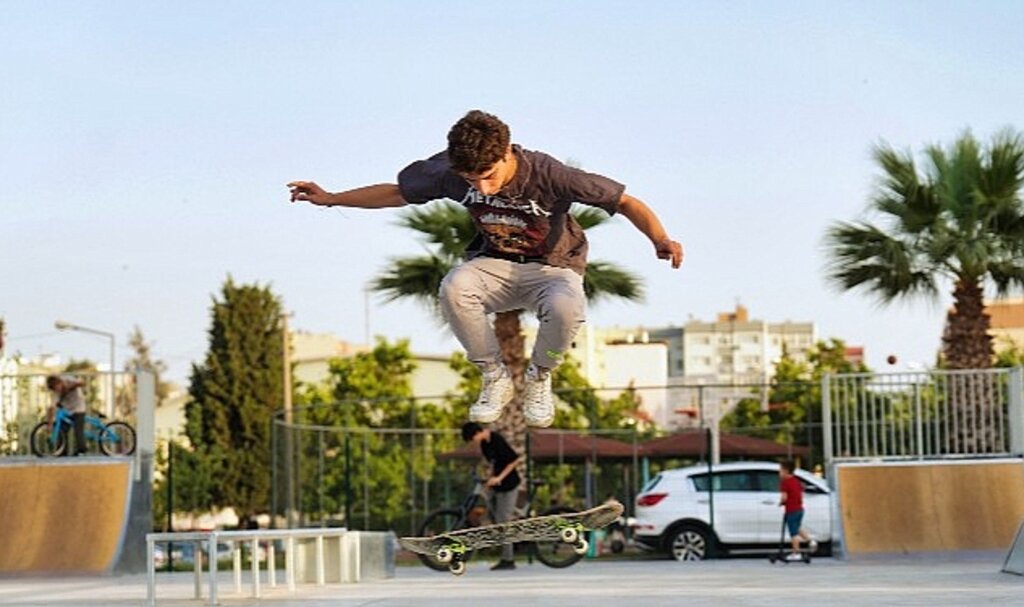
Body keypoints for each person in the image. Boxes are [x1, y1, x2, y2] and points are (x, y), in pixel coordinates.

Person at [289, 110, 683, 428]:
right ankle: (494, 377)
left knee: (566, 309)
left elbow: (626, 202)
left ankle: (540, 376)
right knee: (454, 287)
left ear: (507, 152)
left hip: (554, 268)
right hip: (495, 264)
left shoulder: (550, 174)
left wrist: (660, 239)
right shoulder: (449, 171)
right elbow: (397, 192)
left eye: (490, 175)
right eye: (472, 180)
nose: (484, 188)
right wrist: (331, 199)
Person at [461, 421, 522, 570]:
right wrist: (488, 478)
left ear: (476, 433)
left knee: (503, 520)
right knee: (493, 513)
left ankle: (508, 559)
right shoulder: (484, 444)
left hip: (509, 484)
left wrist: (499, 478)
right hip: (497, 485)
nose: (473, 443)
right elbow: (493, 464)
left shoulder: (496, 439)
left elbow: (513, 460)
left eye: (471, 439)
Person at [779, 459, 817, 560]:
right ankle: (810, 541)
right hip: (800, 509)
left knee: (793, 533)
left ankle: (796, 553)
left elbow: (784, 497)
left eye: (781, 470)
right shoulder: (796, 481)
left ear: (786, 471)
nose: (779, 472)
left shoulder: (785, 483)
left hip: (791, 510)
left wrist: (781, 503)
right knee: (797, 527)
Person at [45, 374, 87, 456]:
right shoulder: (56, 393)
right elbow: (52, 408)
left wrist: (72, 386)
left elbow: (82, 382)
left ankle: (82, 449)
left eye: (57, 387)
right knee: (62, 430)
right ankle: (62, 451)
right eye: (55, 389)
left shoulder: (68, 379)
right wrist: (49, 425)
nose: (57, 390)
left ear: (59, 382)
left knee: (78, 430)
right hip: (67, 410)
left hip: (78, 408)